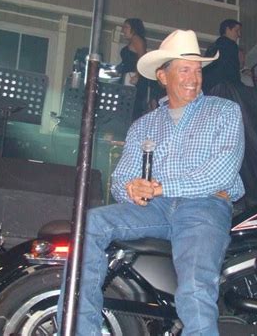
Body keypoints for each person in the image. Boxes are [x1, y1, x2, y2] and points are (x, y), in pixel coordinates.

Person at [59, 29, 245, 335]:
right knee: (88, 225)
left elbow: (222, 171)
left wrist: (160, 186)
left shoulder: (224, 111)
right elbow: (121, 178)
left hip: (206, 205)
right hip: (154, 209)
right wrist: (131, 188)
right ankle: (81, 331)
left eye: (197, 70)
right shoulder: (143, 125)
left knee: (196, 285)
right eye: (184, 70)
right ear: (163, 76)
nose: (193, 77)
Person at [117, 18, 148, 119]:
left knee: (130, 108)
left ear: (134, 29)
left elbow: (142, 58)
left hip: (133, 79)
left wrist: (137, 76)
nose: (123, 30)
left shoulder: (136, 39)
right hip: (129, 79)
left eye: (126, 27)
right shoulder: (134, 41)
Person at [202, 19, 242, 93]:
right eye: (236, 31)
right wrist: (239, 87)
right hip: (224, 88)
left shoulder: (213, 47)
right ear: (227, 29)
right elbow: (231, 69)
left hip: (207, 88)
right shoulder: (230, 45)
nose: (239, 35)